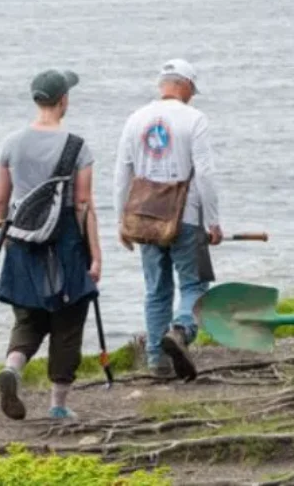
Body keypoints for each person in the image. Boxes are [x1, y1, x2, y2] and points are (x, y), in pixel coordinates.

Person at [0, 69, 101, 420]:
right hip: (65, 243)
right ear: (63, 100)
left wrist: (9, 239)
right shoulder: (77, 146)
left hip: (22, 243)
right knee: (68, 320)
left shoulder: (11, 143)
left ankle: (13, 368)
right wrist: (95, 256)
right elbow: (83, 204)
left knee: (28, 316)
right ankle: (57, 405)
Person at [113, 59, 221, 380]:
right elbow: (205, 173)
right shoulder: (194, 119)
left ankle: (156, 359)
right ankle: (181, 329)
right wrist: (212, 221)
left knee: (156, 289)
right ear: (185, 85)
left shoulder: (135, 119)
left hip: (146, 218)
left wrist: (122, 219)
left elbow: (122, 174)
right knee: (194, 283)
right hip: (186, 216)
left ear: (163, 85)